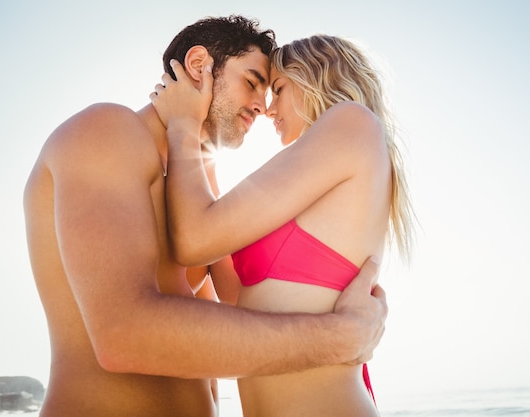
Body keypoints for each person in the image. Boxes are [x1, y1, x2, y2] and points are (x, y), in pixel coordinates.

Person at [23, 16, 388, 417]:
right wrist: (337, 337)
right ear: (199, 66)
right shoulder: (107, 130)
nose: (262, 107)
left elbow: (243, 318)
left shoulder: (197, 192)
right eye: (252, 82)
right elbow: (124, 334)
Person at [151, 34, 413, 416]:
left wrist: (183, 124)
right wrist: (206, 136)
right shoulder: (320, 179)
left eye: (278, 88)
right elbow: (236, 294)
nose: (268, 110)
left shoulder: (351, 122)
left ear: (316, 77)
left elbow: (194, 239)